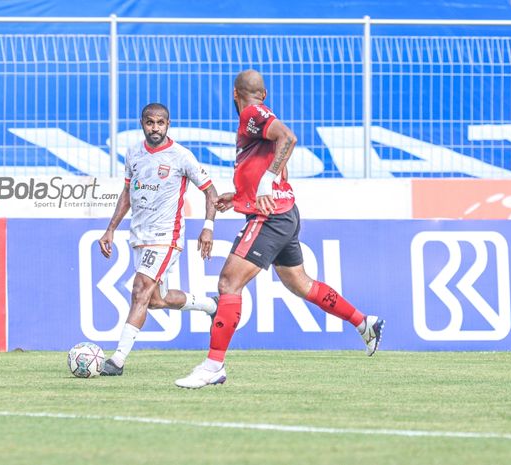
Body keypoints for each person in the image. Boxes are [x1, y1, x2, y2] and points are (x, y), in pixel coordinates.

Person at [175, 70, 385, 389]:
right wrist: (241, 196)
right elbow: (268, 153)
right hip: (285, 212)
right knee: (300, 283)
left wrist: (266, 181)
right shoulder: (261, 115)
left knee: (229, 282)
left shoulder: (251, 112)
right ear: (265, 93)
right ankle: (363, 322)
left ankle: (213, 365)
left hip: (270, 216)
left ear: (235, 94)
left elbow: (288, 137)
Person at [98, 102, 219, 376]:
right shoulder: (133, 154)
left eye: (160, 123)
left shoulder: (181, 156)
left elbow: (211, 192)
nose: (155, 128)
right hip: (139, 236)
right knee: (156, 299)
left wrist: (208, 227)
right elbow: (127, 194)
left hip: (167, 235)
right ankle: (211, 305)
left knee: (140, 290)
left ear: (168, 124)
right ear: (142, 123)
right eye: (150, 122)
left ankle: (117, 360)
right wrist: (111, 229)